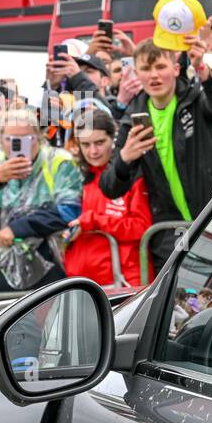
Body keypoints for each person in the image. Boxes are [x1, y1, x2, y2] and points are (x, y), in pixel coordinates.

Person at [98, 0, 212, 269]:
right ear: (136, 73)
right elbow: (109, 188)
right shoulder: (133, 118)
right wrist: (125, 159)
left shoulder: (193, 98)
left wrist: (204, 69)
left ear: (175, 69)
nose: (154, 75)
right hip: (170, 238)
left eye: (160, 67)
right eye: (146, 68)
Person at [0, 108, 83, 292]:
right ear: (0, 140)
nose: (19, 145)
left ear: (39, 137)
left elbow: (69, 210)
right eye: (11, 140)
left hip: (52, 263)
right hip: (3, 264)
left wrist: (18, 228)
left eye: (27, 139)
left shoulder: (59, 161)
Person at [64, 102, 152, 287]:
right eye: (86, 144)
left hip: (124, 283)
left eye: (99, 142)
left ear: (114, 139)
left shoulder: (130, 175)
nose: (93, 151)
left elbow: (141, 227)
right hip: (82, 284)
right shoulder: (75, 179)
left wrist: (94, 220)